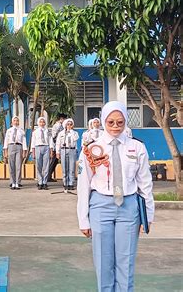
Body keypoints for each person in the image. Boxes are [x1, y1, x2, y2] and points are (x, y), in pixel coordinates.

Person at [77, 101, 154, 291]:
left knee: (125, 262)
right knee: (103, 262)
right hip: (100, 206)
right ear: (103, 121)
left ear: (126, 122)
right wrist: (83, 219)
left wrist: (148, 215)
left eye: (120, 122)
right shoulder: (91, 148)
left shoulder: (137, 147)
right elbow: (84, 184)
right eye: (111, 122)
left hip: (129, 207)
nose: (115, 127)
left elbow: (145, 184)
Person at [3, 116, 27, 190]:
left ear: (19, 122)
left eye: (17, 121)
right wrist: (5, 151)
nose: (16, 122)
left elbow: (24, 142)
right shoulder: (9, 130)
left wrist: (24, 151)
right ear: (12, 122)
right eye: (14, 120)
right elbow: (6, 141)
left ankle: (17, 182)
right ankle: (12, 182)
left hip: (19, 147)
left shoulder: (21, 131)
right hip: (11, 146)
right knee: (11, 165)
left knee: (18, 165)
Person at [55, 118, 79, 190]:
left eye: (70, 124)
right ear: (65, 125)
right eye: (68, 124)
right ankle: (65, 183)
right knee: (64, 168)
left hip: (72, 150)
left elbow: (75, 139)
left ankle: (71, 183)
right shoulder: (61, 133)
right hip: (63, 150)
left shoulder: (75, 133)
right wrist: (57, 152)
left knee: (71, 167)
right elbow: (58, 143)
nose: (69, 126)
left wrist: (70, 131)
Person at [31, 116, 53, 190]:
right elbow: (33, 142)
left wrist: (51, 151)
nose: (42, 123)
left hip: (46, 147)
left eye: (43, 122)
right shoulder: (35, 132)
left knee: (46, 166)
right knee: (39, 166)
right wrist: (33, 152)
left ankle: (45, 182)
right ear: (38, 123)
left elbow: (50, 141)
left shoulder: (48, 131)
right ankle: (40, 182)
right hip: (38, 147)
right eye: (40, 122)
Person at [48, 113, 66, 182]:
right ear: (61, 119)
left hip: (62, 146)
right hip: (57, 146)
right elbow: (54, 136)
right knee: (53, 161)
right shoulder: (57, 126)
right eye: (63, 119)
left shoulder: (62, 126)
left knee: (55, 162)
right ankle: (48, 176)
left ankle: (49, 176)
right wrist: (53, 148)